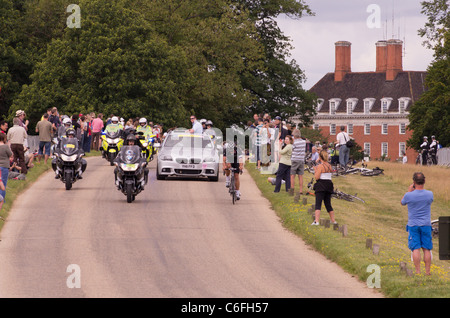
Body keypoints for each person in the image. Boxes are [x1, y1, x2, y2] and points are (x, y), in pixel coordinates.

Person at [401, 172, 434, 275]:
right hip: (426, 224)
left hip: (413, 224)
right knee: (426, 249)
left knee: (415, 248)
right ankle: (427, 272)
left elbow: (402, 202)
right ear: (424, 181)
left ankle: (418, 271)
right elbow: (430, 201)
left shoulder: (408, 195)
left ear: (414, 182)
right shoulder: (429, 194)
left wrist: (409, 191)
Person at [311, 150, 336, 226]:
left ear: (320, 157)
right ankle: (333, 220)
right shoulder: (329, 166)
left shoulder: (320, 166)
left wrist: (315, 170)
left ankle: (316, 221)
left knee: (318, 203)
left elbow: (317, 177)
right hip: (329, 185)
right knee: (328, 203)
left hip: (321, 185)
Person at [290, 129, 306, 202]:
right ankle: (300, 190)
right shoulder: (304, 142)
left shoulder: (294, 143)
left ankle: (292, 188)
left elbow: (291, 150)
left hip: (294, 159)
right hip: (301, 160)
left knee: (292, 175)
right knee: (300, 175)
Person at [0, 133, 12, 204]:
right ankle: (2, 200)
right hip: (4, 166)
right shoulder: (5, 146)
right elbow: (10, 154)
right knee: (3, 183)